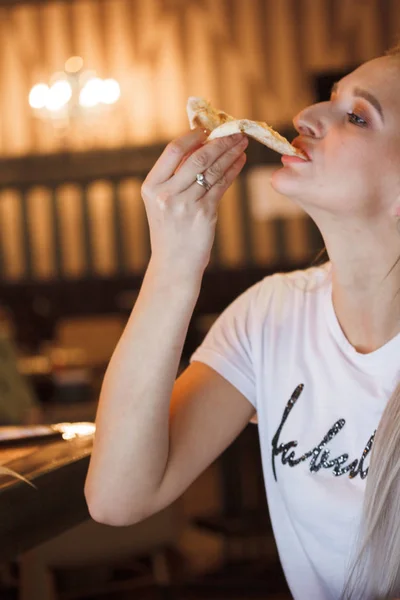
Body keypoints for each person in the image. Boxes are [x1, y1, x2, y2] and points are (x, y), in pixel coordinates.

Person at [84, 44, 400, 600]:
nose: (305, 116)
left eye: (357, 116)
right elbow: (118, 498)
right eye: (330, 99)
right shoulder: (271, 315)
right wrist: (175, 263)